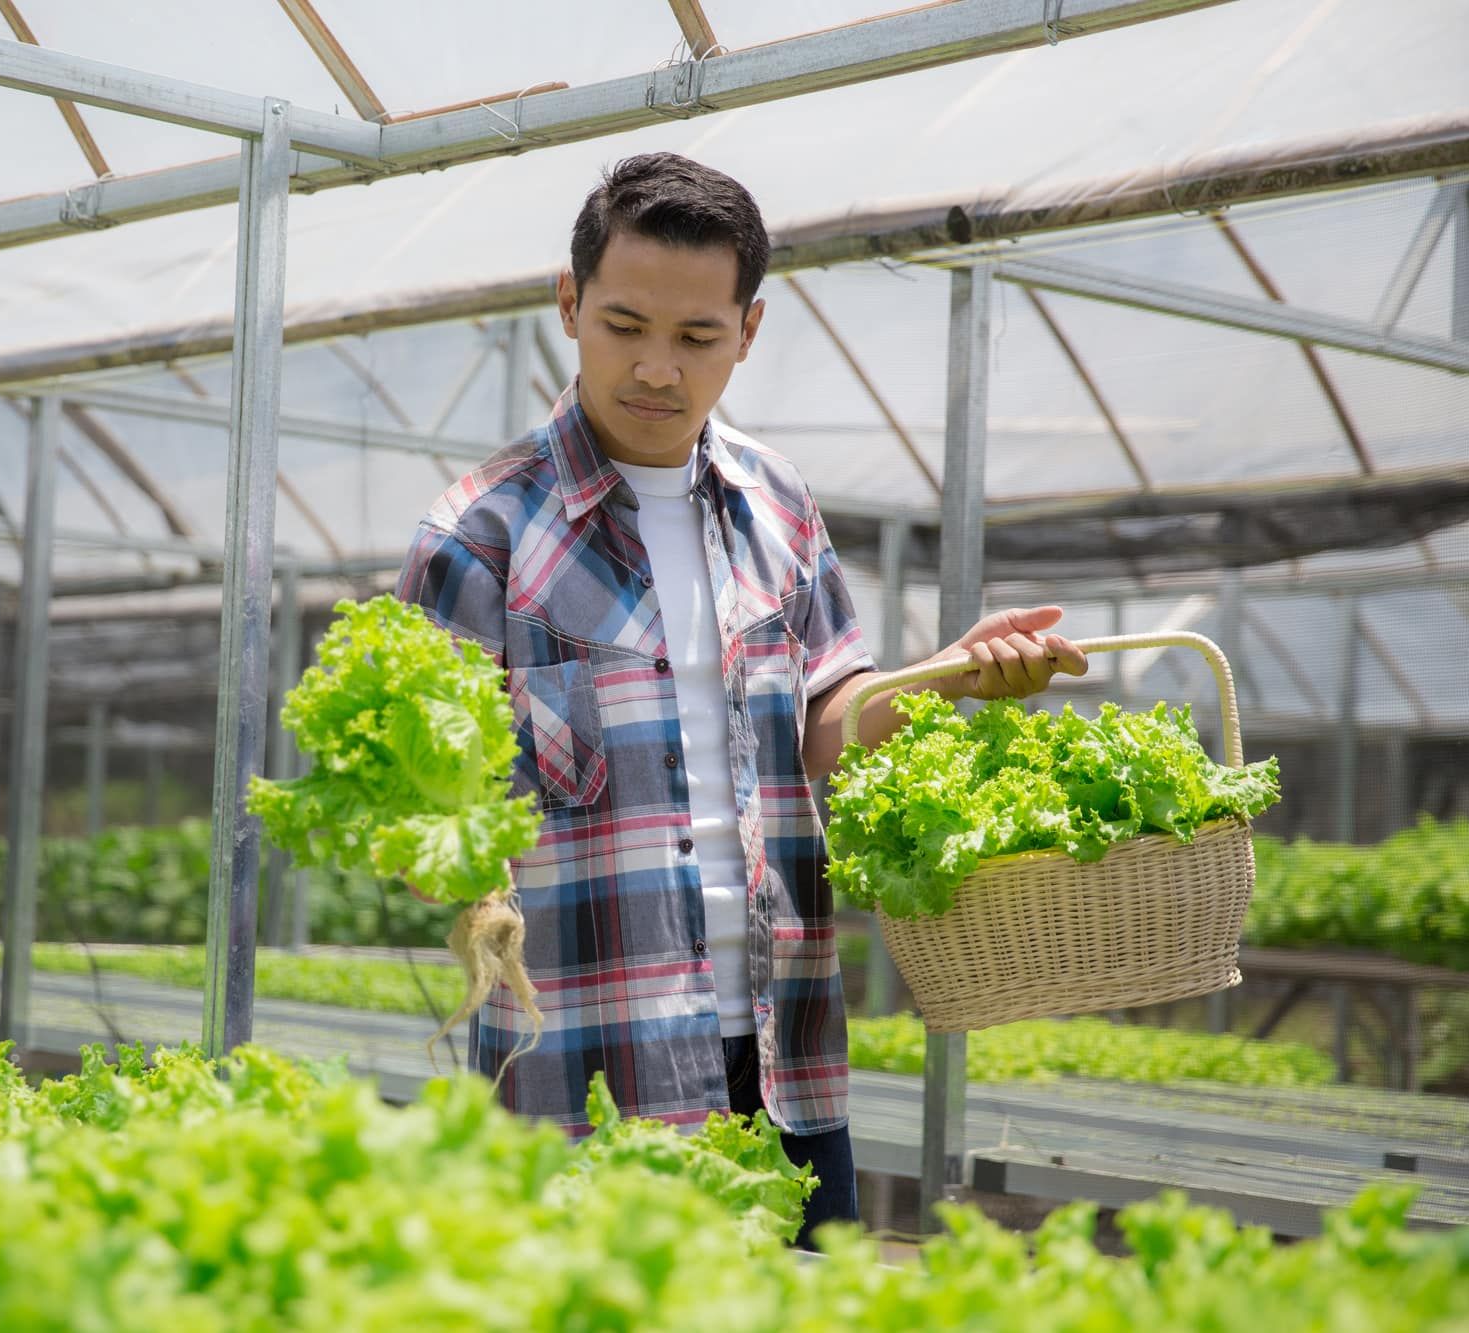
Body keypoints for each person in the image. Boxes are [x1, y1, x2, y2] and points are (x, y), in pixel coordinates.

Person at [394, 152, 1086, 1248]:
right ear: (568, 305)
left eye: (696, 337)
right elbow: (419, 814)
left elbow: (823, 724)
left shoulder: (777, 505)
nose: (655, 367)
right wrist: (429, 836)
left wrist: (948, 675)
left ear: (747, 332)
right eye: (623, 325)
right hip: (584, 1070)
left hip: (783, 1055)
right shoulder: (480, 536)